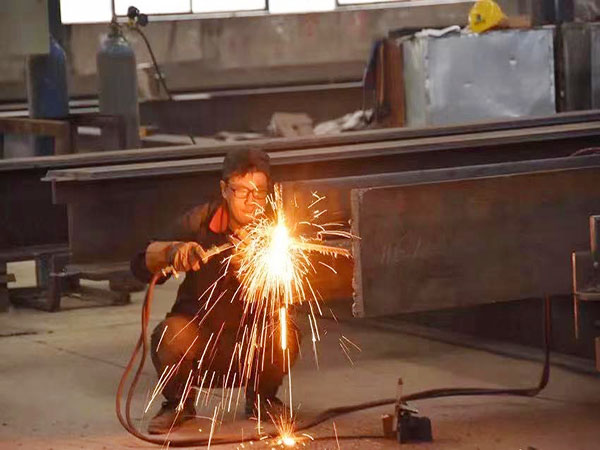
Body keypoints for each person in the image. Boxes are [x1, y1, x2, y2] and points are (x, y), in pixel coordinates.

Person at [130, 148, 300, 435]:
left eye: (258, 192)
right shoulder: (199, 221)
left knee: (285, 334)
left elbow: (292, 291)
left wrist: (255, 272)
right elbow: (139, 264)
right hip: (201, 339)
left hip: (251, 344)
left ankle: (263, 399)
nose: (251, 200)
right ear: (224, 189)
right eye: (241, 190)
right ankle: (178, 404)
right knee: (170, 336)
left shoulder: (277, 228)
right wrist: (172, 252)